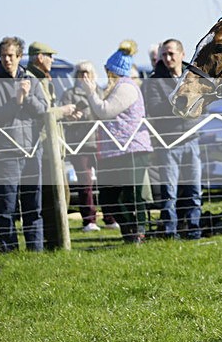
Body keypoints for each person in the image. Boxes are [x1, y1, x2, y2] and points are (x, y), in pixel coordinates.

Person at [0, 37, 48, 252]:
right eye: (3, 56)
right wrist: (16, 100)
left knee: (33, 206)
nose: (7, 60)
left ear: (20, 57)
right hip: (6, 152)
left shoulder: (32, 80)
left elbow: (42, 111)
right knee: (7, 206)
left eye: (11, 56)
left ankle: (35, 250)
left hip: (31, 151)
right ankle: (8, 250)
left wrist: (27, 97)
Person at [83, 40, 153, 243]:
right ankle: (130, 232)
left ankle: (137, 232)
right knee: (109, 198)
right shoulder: (115, 88)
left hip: (131, 149)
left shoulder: (126, 88)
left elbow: (105, 111)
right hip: (114, 151)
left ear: (113, 71)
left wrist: (90, 92)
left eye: (107, 70)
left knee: (132, 195)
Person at [143, 38, 203, 239]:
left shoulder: (193, 75)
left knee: (195, 190)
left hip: (191, 138)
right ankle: (170, 233)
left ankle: (194, 229)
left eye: (171, 54)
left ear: (182, 54)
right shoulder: (154, 80)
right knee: (169, 193)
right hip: (168, 143)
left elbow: (203, 100)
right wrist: (180, 102)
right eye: (164, 54)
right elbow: (154, 108)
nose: (168, 58)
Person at [26, 42, 79, 247]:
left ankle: (57, 240)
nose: (52, 60)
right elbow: (42, 113)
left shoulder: (45, 79)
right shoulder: (32, 80)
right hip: (45, 149)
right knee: (51, 199)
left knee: (62, 197)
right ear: (39, 57)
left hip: (55, 147)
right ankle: (54, 242)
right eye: (49, 55)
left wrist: (67, 115)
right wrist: (63, 111)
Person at [60, 61, 120, 232]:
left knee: (106, 182)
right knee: (85, 185)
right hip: (81, 145)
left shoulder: (101, 92)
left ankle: (110, 217)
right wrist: (71, 117)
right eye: (80, 73)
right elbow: (64, 120)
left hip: (101, 144)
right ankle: (89, 221)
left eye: (87, 72)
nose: (84, 76)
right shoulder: (69, 95)